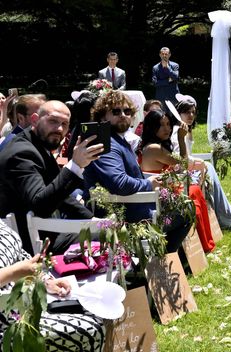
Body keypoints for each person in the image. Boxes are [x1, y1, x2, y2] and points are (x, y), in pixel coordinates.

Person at [83, 91, 189, 253]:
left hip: (132, 207)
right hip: (124, 217)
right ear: (103, 116)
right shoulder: (106, 144)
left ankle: (158, 260)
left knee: (181, 207)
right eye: (116, 112)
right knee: (184, 215)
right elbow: (119, 183)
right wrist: (148, 183)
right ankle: (156, 261)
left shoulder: (116, 139)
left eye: (127, 111)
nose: (123, 115)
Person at [0, 101, 102, 254]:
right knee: (106, 236)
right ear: (34, 120)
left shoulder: (37, 144)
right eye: (53, 121)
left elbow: (62, 197)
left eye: (65, 124)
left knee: (106, 230)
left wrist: (92, 219)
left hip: (44, 232)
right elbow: (40, 205)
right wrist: (75, 166)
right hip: (28, 244)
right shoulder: (21, 153)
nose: (59, 129)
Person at [0, 221, 104, 350]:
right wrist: (13, 272)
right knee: (93, 329)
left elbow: (19, 256)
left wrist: (44, 280)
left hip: (30, 300)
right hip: (9, 320)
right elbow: (14, 269)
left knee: (96, 315)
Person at [139, 110, 215, 252]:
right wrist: (181, 139)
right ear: (151, 127)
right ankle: (201, 244)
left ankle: (201, 242)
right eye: (161, 125)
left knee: (194, 189)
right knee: (194, 191)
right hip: (162, 196)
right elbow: (183, 163)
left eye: (168, 124)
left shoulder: (150, 145)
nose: (167, 128)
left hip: (165, 190)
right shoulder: (154, 148)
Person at [171, 95, 231, 229]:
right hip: (180, 173)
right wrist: (198, 162)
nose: (191, 115)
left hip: (190, 168)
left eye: (193, 112)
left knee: (208, 166)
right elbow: (179, 158)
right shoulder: (177, 132)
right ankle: (223, 214)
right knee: (208, 166)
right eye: (187, 112)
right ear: (178, 113)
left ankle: (222, 213)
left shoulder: (187, 130)